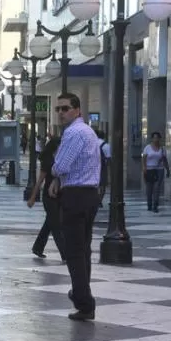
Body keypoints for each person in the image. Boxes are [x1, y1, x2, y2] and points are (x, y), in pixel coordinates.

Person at [50, 92, 101, 322]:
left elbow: (61, 165)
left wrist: (55, 174)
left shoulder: (73, 133)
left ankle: (83, 299)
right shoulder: (88, 131)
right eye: (58, 109)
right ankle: (83, 298)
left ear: (77, 110)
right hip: (89, 194)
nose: (61, 113)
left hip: (76, 196)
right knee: (83, 250)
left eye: (65, 108)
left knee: (74, 252)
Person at [28, 135, 65, 261]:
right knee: (56, 225)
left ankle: (38, 247)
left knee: (49, 223)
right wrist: (33, 197)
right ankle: (65, 254)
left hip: (59, 195)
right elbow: (40, 181)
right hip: (48, 197)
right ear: (56, 146)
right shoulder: (48, 160)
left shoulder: (60, 159)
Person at [142, 131, 171, 212]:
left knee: (156, 187)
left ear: (159, 139)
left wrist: (168, 170)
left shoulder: (162, 148)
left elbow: (165, 160)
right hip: (149, 170)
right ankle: (149, 204)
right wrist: (144, 168)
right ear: (152, 139)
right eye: (154, 138)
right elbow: (144, 158)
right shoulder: (147, 147)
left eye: (157, 138)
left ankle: (155, 205)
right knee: (149, 188)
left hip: (159, 170)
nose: (156, 139)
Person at [96, 129, 109, 206]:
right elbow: (109, 158)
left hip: (92, 167)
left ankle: (95, 199)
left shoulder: (91, 143)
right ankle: (99, 200)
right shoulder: (106, 145)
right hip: (103, 168)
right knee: (102, 185)